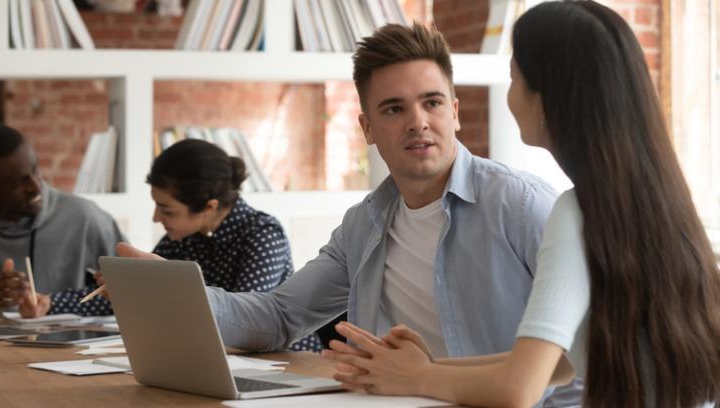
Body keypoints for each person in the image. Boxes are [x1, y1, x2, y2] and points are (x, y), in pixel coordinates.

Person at [117, 22, 583, 405]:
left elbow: (583, 363)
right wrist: (178, 288)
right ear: (367, 129)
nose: (418, 121)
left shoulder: (524, 206)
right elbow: (281, 315)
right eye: (394, 108)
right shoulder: (364, 223)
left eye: (432, 102)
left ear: (455, 112)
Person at [323, 2, 720, 407]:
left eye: (514, 78)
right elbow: (568, 359)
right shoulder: (657, 199)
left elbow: (519, 389)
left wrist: (421, 376)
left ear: (547, 97)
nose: (509, 96)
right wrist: (428, 367)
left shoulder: (575, 211)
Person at [98, 139, 321, 352]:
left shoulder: (263, 234)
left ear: (209, 207)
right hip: (213, 359)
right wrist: (123, 291)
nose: (156, 218)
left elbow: (246, 325)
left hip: (287, 364)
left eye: (167, 210)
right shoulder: (184, 237)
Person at [0, 123, 126, 318]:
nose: (35, 187)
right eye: (17, 183)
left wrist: (55, 303)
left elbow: (139, 294)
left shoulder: (85, 218)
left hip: (77, 349)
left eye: (35, 170)